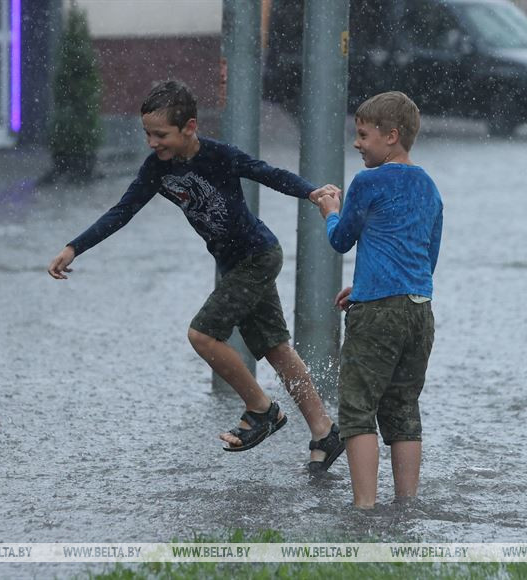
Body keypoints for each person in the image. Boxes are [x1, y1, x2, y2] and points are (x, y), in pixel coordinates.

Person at [48, 80, 345, 471]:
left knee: (202, 334)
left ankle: (262, 410)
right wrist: (74, 247)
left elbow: (267, 173)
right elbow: (122, 211)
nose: (152, 143)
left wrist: (311, 192)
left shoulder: (220, 155)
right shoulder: (157, 169)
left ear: (189, 127)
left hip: (257, 256)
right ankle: (324, 432)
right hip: (234, 265)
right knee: (276, 348)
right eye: (147, 134)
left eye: (160, 135)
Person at [310, 91, 442, 508]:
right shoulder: (429, 186)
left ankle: (364, 508)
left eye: (363, 135)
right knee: (403, 408)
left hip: (377, 314)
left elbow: (341, 239)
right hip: (419, 309)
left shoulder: (367, 182)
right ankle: (406, 504)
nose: (357, 143)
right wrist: (366, 285)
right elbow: (426, 256)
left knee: (357, 407)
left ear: (391, 136)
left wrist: (329, 210)